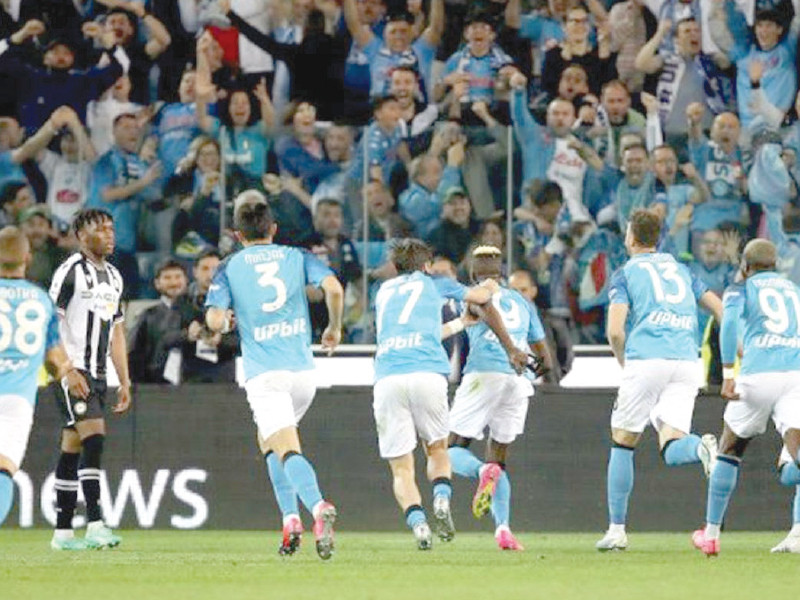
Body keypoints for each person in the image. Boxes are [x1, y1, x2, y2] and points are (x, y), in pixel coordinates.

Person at [205, 195, 343, 560]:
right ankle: (289, 521)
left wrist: (224, 321)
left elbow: (215, 320)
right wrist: (334, 327)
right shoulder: (297, 256)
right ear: (274, 229)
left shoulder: (228, 266)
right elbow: (334, 288)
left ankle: (316, 507)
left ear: (237, 234)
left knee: (287, 448)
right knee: (269, 442)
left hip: (265, 375)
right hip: (303, 373)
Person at [372, 238, 527, 550]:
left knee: (401, 467)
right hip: (427, 374)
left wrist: (458, 324)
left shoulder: (383, 292)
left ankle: (418, 526)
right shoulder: (437, 283)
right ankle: (441, 498)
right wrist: (492, 284)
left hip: (388, 376)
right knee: (438, 450)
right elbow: (482, 295)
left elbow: (412, 333)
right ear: (426, 265)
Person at [596, 209, 723, 551]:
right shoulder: (681, 270)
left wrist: (624, 361)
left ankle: (617, 530)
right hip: (686, 360)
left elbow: (614, 330)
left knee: (623, 440)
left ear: (631, 237)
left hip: (647, 358)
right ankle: (701, 446)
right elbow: (718, 307)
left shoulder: (625, 273)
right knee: (671, 444)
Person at [693, 239, 800, 556]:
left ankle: (711, 535)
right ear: (775, 263)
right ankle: (797, 532)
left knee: (729, 448)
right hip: (795, 375)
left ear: (745, 265)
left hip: (757, 374)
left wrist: (728, 374)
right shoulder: (794, 290)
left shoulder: (740, 288)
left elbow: (727, 326)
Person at [447, 246, 553, 552]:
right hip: (519, 382)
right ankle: (504, 529)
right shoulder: (521, 301)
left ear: (472, 273)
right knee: (499, 456)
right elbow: (545, 358)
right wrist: (528, 366)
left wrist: (509, 350)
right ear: (500, 271)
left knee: (449, 450)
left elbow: (482, 309)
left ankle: (482, 472)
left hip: (485, 372)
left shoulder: (473, 293)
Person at [47, 208, 132, 550]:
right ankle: (95, 522)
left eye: (112, 229)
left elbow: (116, 333)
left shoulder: (114, 276)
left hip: (98, 375)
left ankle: (63, 533)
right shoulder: (69, 273)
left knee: (72, 447)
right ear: (82, 236)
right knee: (94, 438)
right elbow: (49, 323)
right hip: (72, 372)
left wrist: (124, 381)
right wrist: (66, 370)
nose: (110, 235)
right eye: (101, 230)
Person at [0, 226, 89, 527]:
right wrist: (67, 371)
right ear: (27, 257)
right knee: (3, 472)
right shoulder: (40, 300)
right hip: (15, 402)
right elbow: (54, 360)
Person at [127, 260, 189, 384]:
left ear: (186, 280)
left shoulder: (198, 312)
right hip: (155, 386)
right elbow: (134, 355)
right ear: (157, 283)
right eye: (167, 278)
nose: (173, 282)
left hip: (194, 385)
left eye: (178, 277)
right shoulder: (147, 316)